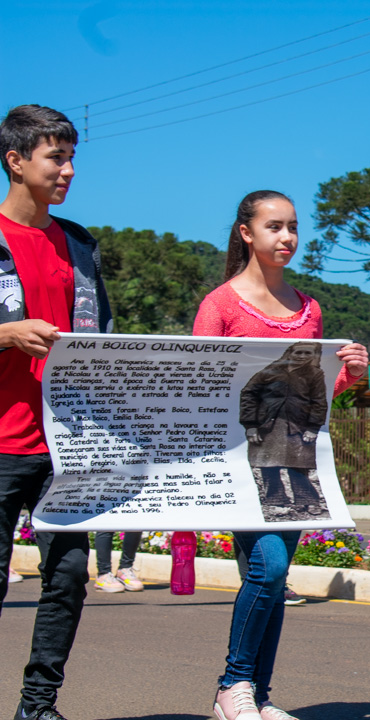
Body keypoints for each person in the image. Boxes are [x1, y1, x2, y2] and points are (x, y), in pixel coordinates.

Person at [193, 190, 368, 720]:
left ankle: (258, 696)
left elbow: (315, 394)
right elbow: (196, 388)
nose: (287, 237)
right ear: (247, 232)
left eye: (292, 226)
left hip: (294, 459)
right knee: (268, 570)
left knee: (271, 578)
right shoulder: (220, 304)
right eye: (274, 226)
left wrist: (351, 371)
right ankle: (233, 685)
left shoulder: (309, 309)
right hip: (237, 463)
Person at [0, 104, 113, 720]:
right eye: (56, 157)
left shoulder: (79, 245)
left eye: (72, 158)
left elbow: (100, 338)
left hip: (67, 448)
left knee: (68, 580)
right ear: (15, 161)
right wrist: (6, 334)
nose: (68, 169)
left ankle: (37, 707)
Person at [240, 342, 330, 522]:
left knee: (298, 466)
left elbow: (319, 402)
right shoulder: (271, 370)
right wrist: (250, 424)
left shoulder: (315, 374)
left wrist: (313, 428)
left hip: (298, 426)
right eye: (299, 352)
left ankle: (307, 501)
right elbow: (248, 393)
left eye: (307, 353)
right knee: (268, 467)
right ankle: (276, 500)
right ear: (290, 352)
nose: (302, 356)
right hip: (267, 425)